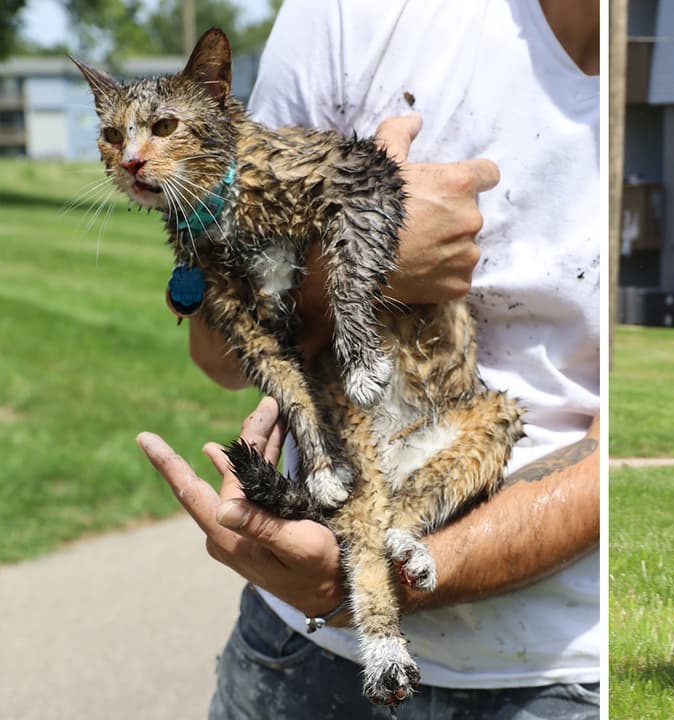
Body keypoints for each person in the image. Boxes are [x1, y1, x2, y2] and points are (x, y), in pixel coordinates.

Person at [137, 0, 602, 717]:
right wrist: (360, 260)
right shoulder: (351, 14)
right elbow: (219, 355)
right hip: (299, 653)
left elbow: (614, 462)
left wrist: (389, 571)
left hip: (559, 676)